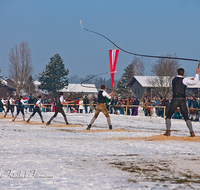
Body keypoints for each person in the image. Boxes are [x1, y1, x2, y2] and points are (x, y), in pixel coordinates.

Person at [164, 67, 200, 137]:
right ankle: (192, 132)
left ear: (177, 73)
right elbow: (195, 82)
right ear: (183, 74)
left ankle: (168, 131)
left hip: (175, 100)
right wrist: (197, 73)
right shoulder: (185, 80)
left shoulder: (174, 79)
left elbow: (180, 82)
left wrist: (189, 80)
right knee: (186, 117)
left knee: (168, 116)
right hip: (182, 100)